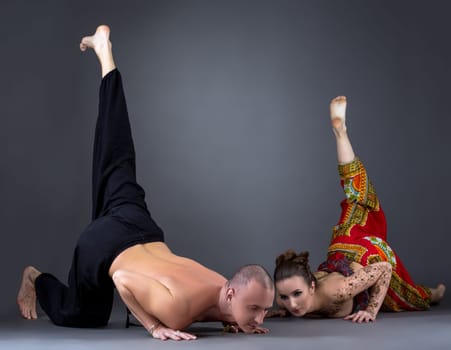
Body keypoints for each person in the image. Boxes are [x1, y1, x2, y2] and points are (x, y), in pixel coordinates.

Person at [17, 25, 275, 341]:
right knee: (83, 315)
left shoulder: (226, 284)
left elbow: (218, 304)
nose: (260, 317)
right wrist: (154, 326)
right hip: (104, 245)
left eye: (263, 310)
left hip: (139, 223)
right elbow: (123, 279)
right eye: (254, 309)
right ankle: (35, 278)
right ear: (233, 294)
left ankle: (105, 54)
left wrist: (236, 319)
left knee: (119, 150)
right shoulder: (179, 311)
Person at [270, 96, 446, 323]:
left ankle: (433, 294)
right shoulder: (295, 293)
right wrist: (283, 307)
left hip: (369, 253)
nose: (291, 303)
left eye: (297, 295)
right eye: (284, 297)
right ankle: (340, 132)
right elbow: (291, 293)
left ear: (312, 287)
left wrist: (371, 310)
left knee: (404, 298)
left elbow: (382, 269)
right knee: (358, 196)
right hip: (343, 244)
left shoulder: (340, 290)